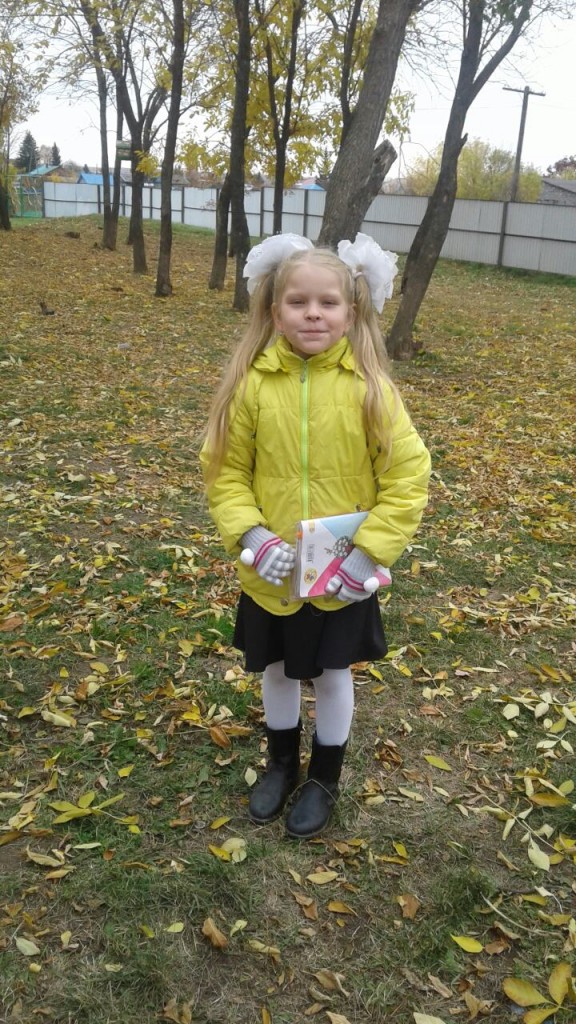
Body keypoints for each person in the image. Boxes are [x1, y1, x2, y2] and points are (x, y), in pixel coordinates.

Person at [201, 232, 431, 840]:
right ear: (275, 311)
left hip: (340, 576)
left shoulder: (370, 388)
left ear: (350, 312)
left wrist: (369, 553)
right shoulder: (253, 385)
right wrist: (251, 534)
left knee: (331, 674)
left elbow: (408, 475)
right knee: (277, 670)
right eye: (297, 301)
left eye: (327, 302)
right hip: (272, 569)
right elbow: (225, 471)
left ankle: (325, 776)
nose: (312, 314)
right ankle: (281, 764)